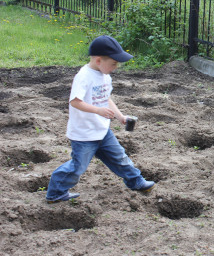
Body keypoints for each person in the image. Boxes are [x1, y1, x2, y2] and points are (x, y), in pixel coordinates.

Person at [46, 35, 155, 203]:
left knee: (120, 157)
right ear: (98, 60)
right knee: (77, 167)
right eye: (113, 63)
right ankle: (56, 193)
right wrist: (97, 110)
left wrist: (120, 116)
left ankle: (136, 182)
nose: (115, 67)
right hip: (84, 135)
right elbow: (75, 101)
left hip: (102, 131)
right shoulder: (84, 76)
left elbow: (106, 99)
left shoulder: (105, 76)